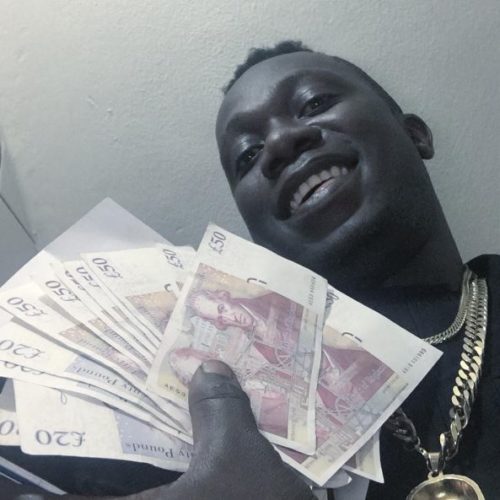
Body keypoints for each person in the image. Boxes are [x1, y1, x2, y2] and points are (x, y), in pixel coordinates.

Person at [214, 41, 499, 499]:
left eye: (314, 103)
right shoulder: (236, 414)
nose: (281, 143)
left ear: (416, 135)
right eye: (248, 154)